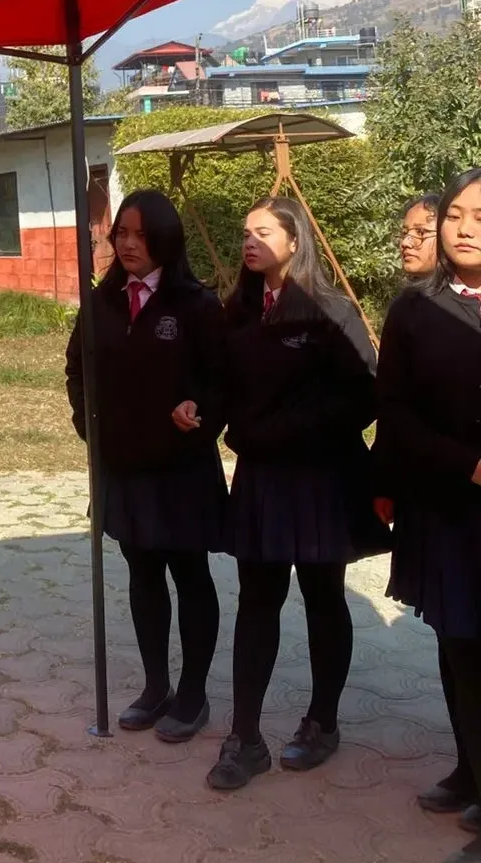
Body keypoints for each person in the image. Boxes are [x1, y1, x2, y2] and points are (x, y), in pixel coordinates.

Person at [207, 196, 388, 791]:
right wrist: (201, 409)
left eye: (263, 231)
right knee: (257, 600)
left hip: (321, 479)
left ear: (294, 240)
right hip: (261, 478)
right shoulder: (239, 311)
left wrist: (288, 429)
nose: (249, 241)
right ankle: (246, 738)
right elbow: (224, 385)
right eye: (245, 232)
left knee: (321, 597)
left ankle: (322, 724)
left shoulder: (330, 309)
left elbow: (365, 396)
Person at [65, 190, 227, 742]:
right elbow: (76, 371)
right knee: (142, 574)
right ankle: (155, 686)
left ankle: (193, 692)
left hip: (181, 472)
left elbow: (221, 381)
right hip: (123, 468)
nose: (128, 245)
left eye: (140, 235)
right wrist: (92, 430)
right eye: (121, 236)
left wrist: (199, 410)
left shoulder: (197, 306)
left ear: (164, 239)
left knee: (190, 576)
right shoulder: (100, 302)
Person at [377, 167, 481, 863]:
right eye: (454, 214)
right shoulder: (415, 309)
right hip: (448, 505)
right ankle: (471, 771)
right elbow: (397, 413)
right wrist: (466, 465)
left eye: (480, 215)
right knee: (459, 647)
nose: (464, 226)